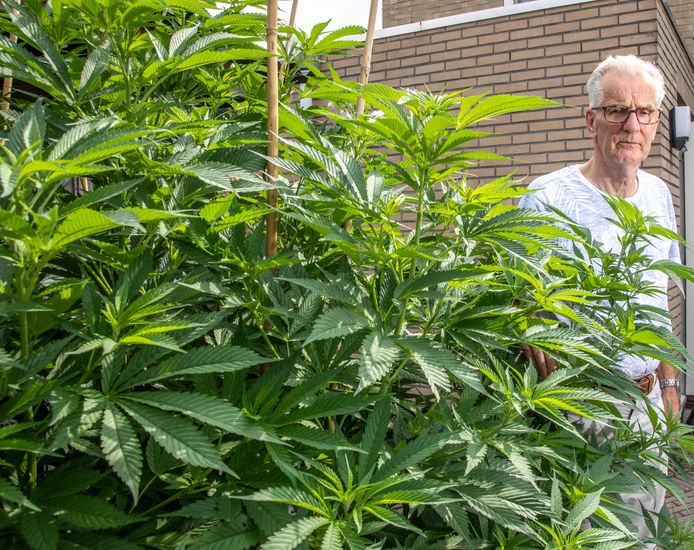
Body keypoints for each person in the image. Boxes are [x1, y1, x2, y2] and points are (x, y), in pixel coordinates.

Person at [518, 55, 681, 546]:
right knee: (595, 536)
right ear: (591, 120)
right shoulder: (547, 197)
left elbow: (658, 291)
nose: (632, 125)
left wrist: (670, 381)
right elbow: (527, 300)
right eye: (616, 110)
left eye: (645, 112)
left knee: (647, 526)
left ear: (656, 122)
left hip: (650, 400)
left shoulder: (658, 193)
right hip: (586, 404)